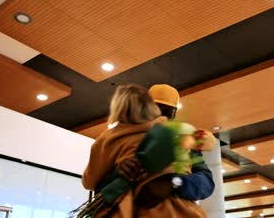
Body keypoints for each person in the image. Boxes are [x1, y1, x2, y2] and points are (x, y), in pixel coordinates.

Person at [82, 84, 206, 217]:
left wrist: (173, 183)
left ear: (175, 113)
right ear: (147, 107)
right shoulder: (179, 135)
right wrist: (117, 173)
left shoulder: (109, 139)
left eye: (167, 112)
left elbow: (206, 182)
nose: (162, 117)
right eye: (158, 110)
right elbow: (98, 187)